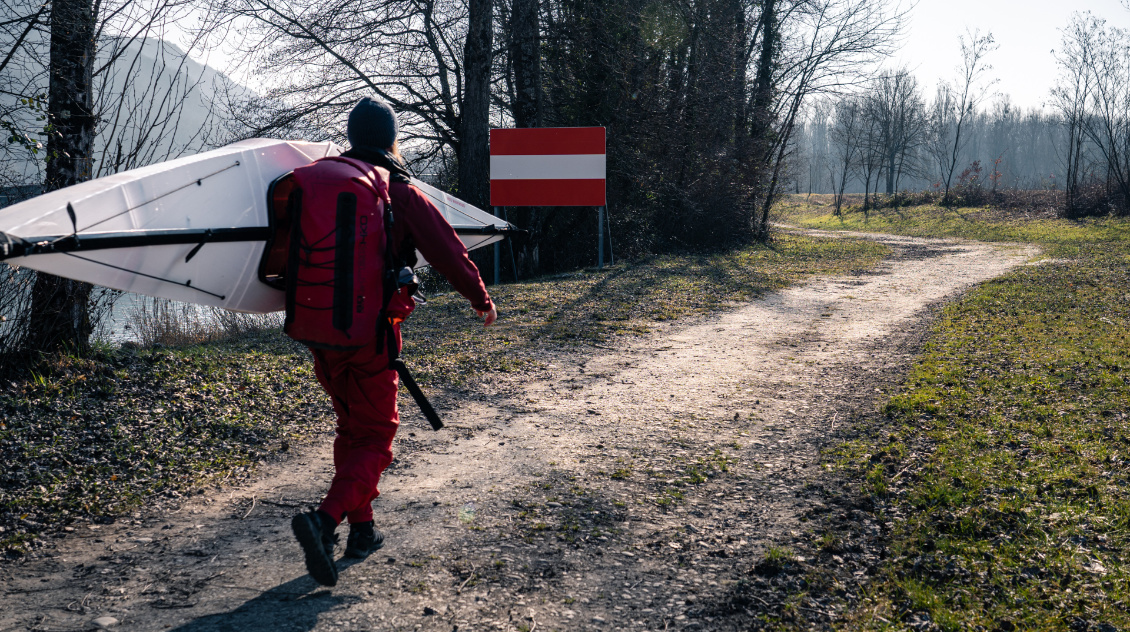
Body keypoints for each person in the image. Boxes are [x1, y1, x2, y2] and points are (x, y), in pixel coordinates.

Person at [291, 97, 497, 586]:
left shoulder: (322, 180)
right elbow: (447, 249)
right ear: (390, 140)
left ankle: (363, 532)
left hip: (318, 331)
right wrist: (480, 299)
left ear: (352, 136)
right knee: (377, 437)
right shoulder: (398, 191)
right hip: (371, 337)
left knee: (352, 430)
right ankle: (324, 521)